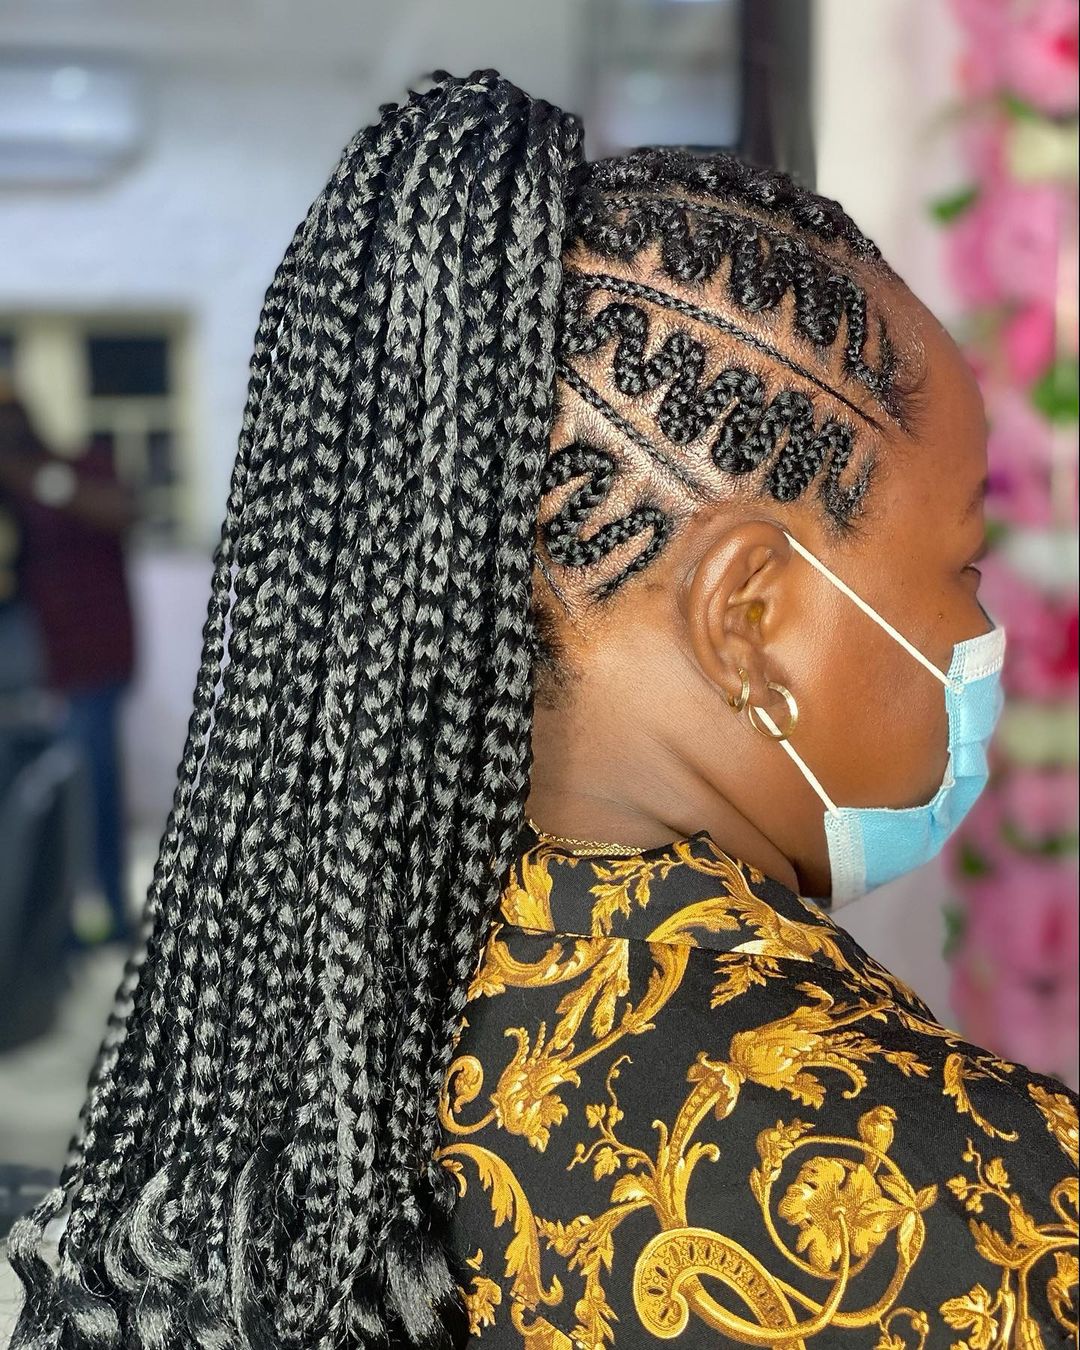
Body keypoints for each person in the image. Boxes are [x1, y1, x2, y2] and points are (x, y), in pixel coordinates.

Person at [8, 71, 1076, 1350]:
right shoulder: (972, 1210)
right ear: (750, 620)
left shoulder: (310, 1006)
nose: (982, 632)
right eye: (964, 566)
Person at [0, 395, 138, 945]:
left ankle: (107, 916)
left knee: (91, 793)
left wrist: (35, 478)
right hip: (34, 671)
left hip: (91, 666)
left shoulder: (78, 468)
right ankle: (51, 926)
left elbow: (120, 512)